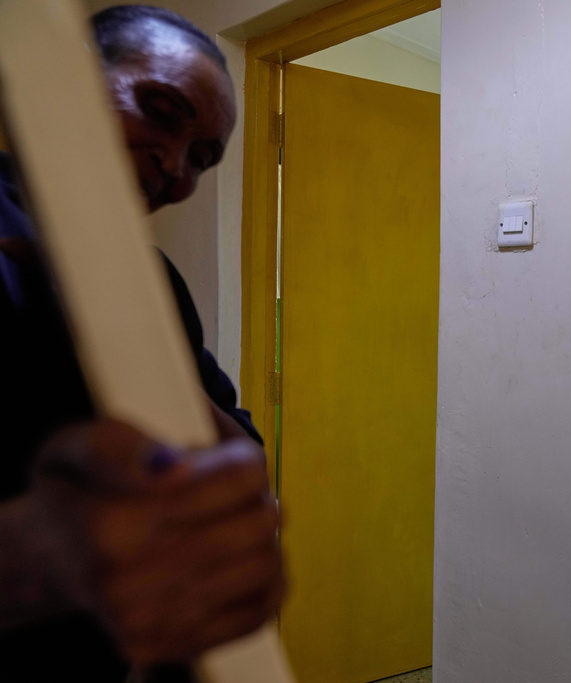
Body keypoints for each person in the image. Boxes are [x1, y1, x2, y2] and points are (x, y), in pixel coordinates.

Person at [0, 6, 283, 680]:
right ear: (70, 78)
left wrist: (118, 332)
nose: (176, 168)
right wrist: (38, 558)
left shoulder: (150, 280)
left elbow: (241, 456)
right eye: (159, 109)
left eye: (202, 159)